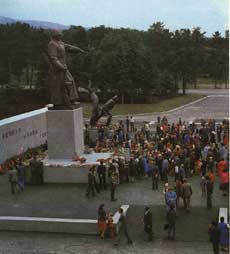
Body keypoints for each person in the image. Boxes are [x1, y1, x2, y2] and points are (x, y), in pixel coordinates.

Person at [47, 30, 85, 109]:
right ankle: (57, 103)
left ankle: (72, 99)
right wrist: (61, 67)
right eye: (59, 35)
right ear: (55, 35)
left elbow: (70, 47)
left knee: (70, 81)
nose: (60, 36)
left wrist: (79, 50)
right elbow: (53, 58)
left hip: (63, 67)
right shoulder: (52, 44)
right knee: (58, 86)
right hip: (56, 69)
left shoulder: (60, 43)